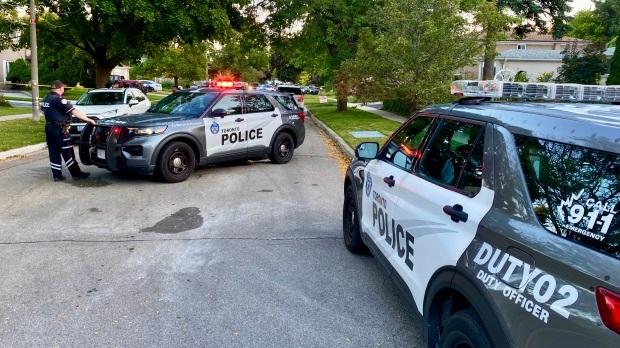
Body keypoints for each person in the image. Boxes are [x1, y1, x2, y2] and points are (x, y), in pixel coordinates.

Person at [40, 80, 96, 182]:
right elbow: (74, 111)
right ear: (60, 88)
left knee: (53, 152)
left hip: (49, 127)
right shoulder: (58, 100)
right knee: (68, 152)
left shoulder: (46, 98)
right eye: (63, 88)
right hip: (60, 130)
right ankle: (76, 174)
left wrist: (52, 118)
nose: (63, 90)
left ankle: (57, 176)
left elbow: (42, 110)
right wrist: (89, 120)